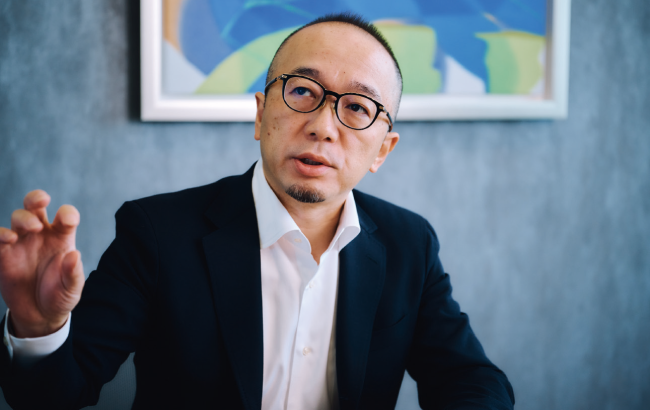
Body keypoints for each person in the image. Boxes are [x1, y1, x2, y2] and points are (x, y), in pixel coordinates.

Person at [0, 13, 514, 410]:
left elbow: (473, 379)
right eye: (302, 91)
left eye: (357, 107)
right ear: (261, 113)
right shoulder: (156, 233)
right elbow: (55, 394)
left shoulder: (409, 243)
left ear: (382, 150)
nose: (322, 126)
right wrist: (39, 328)